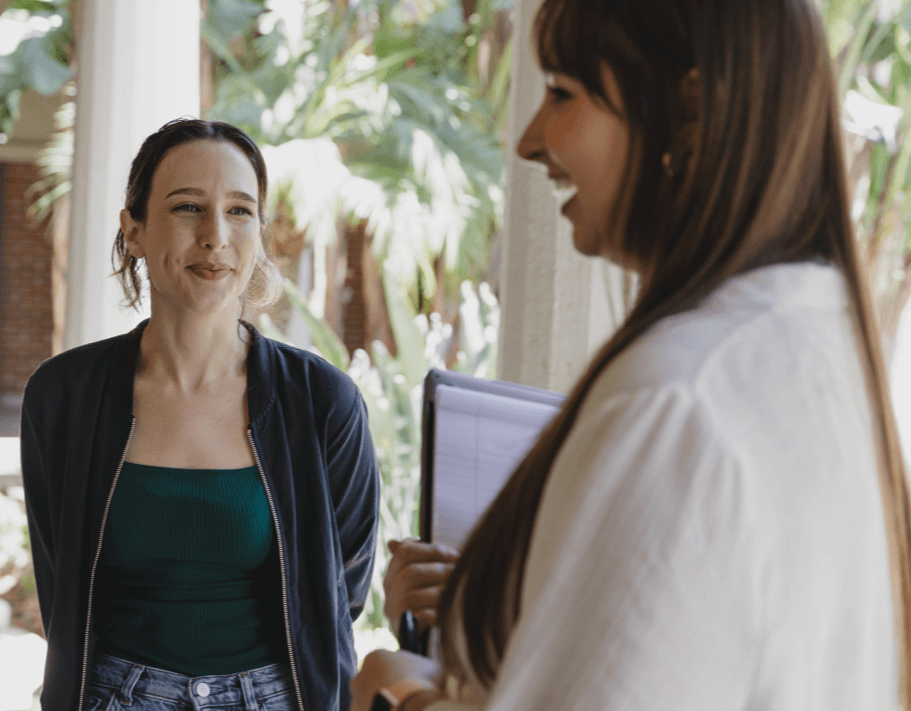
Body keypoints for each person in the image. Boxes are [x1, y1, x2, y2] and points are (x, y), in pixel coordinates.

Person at [351, 0, 911, 709]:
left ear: (690, 113)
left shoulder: (677, 397)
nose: (528, 140)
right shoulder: (813, 336)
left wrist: (403, 691)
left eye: (562, 94)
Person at [20, 118, 380, 711]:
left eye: (240, 211)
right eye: (188, 207)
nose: (215, 235)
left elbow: (336, 592)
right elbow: (65, 583)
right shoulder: (63, 396)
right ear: (133, 230)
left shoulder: (321, 401)